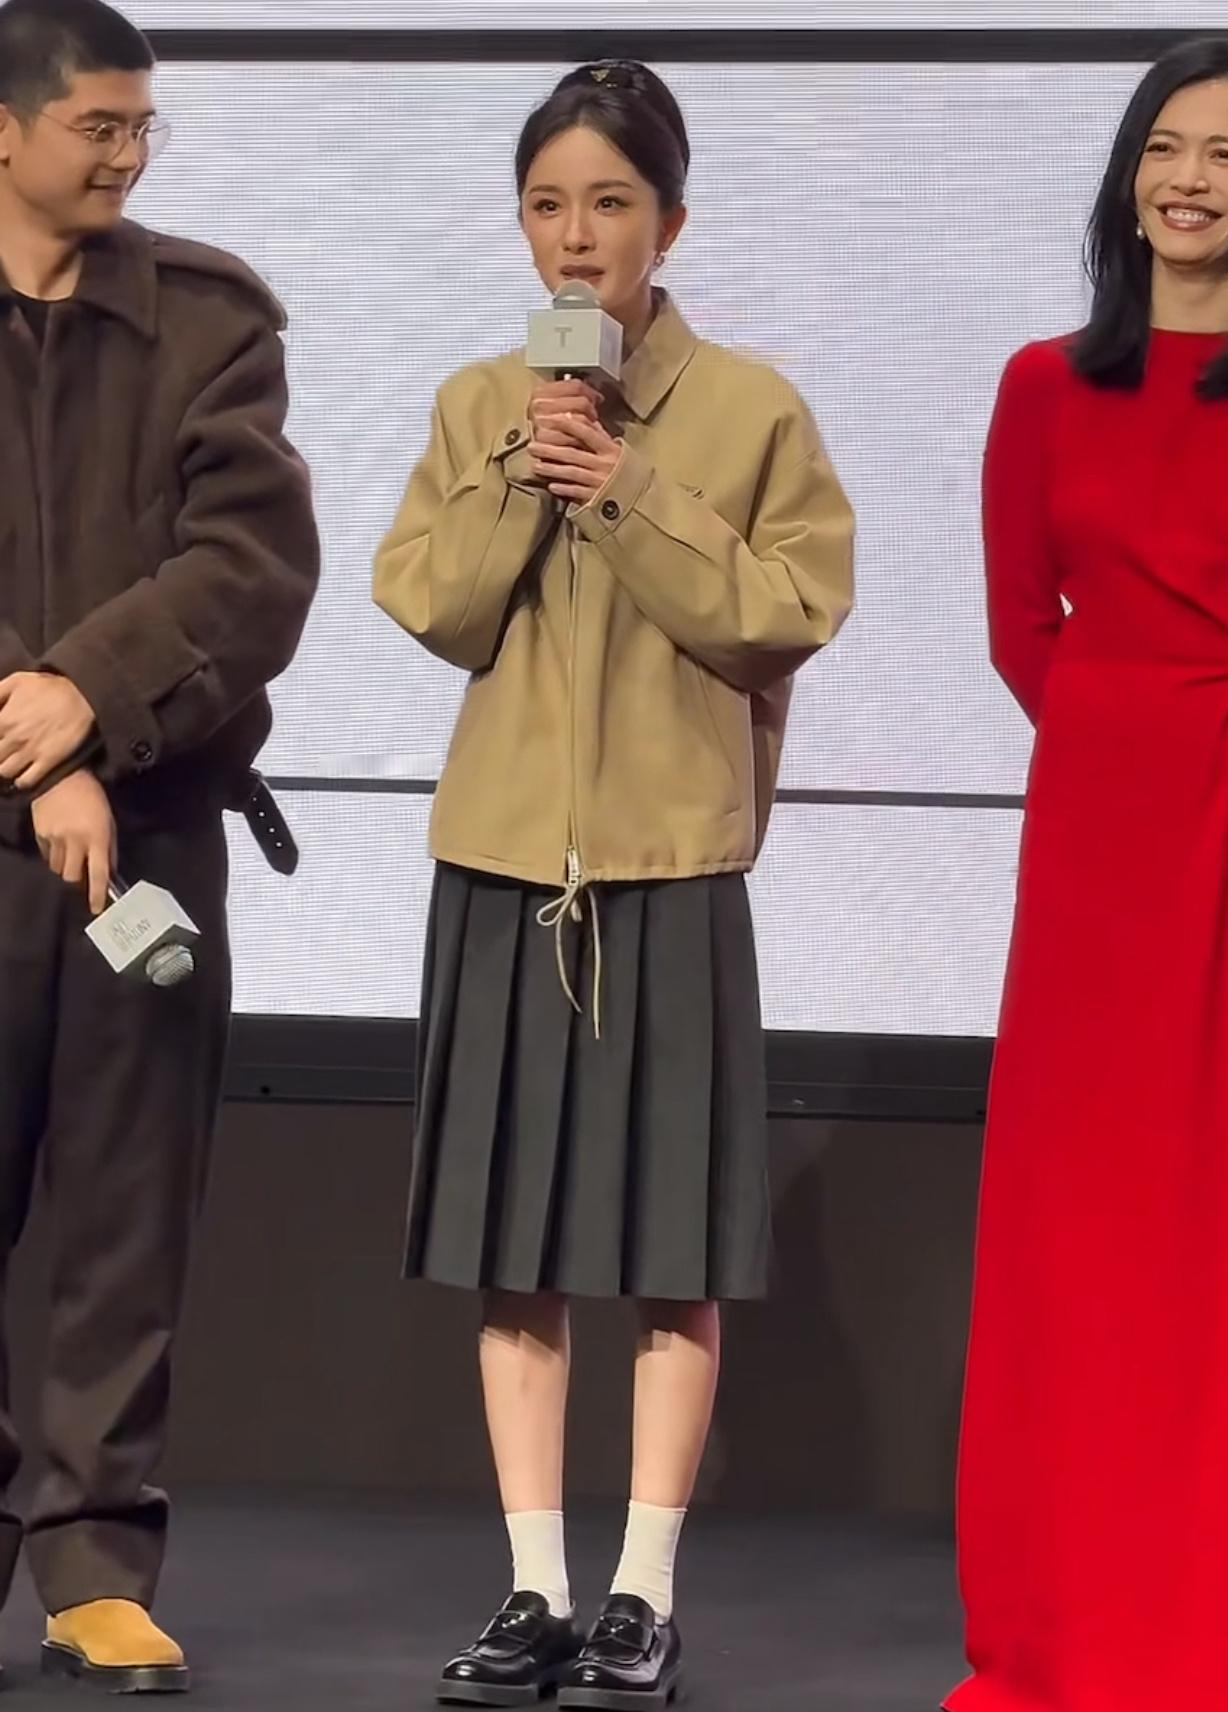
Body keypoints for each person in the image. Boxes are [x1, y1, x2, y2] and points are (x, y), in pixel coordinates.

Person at [374, 58, 852, 1711]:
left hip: (667, 875)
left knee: (672, 1255)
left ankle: (642, 1594)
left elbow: (784, 615)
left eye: (610, 204)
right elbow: (435, 607)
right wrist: (527, 465)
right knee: (514, 1254)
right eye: (547, 205)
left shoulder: (752, 408)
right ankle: (534, 1588)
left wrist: (633, 489)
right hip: (504, 870)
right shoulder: (477, 404)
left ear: (672, 223)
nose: (576, 237)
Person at [949, 35, 1228, 1712]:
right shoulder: (1041, 385)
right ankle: (1071, 1622)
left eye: (1227, 152)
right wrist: (1127, 736)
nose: (1189, 179)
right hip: (1103, 839)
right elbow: (1023, 627)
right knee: (1087, 1226)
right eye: (1165, 145)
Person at [0, 0, 319, 1692]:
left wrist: (88, 701)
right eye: (97, 127)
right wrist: (28, 743)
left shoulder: (206, 316)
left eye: (143, 128)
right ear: (3, 130)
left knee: (127, 1218)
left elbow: (253, 563)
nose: (127, 155)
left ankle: (94, 1560)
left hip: (154, 832)